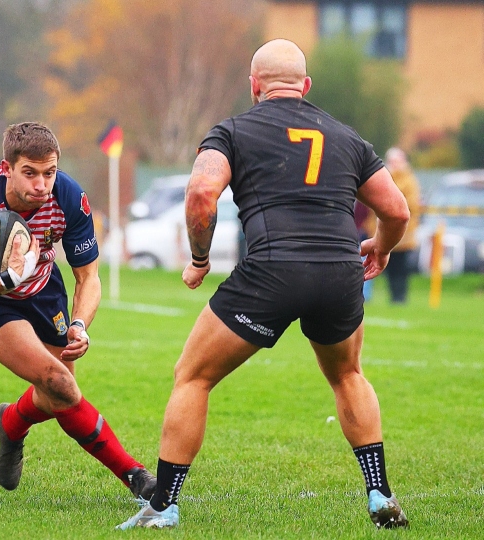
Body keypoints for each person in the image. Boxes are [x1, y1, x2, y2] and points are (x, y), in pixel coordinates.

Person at [117, 39, 411, 530]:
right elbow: (397, 209)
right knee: (347, 376)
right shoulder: (346, 136)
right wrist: (380, 246)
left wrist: (199, 259)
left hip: (272, 271)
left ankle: (162, 506)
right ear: (306, 86)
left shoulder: (232, 131)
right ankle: (379, 494)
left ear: (254, 86)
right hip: (340, 273)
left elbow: (200, 194)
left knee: (193, 376)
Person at [0, 122, 158, 500]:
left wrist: (81, 324)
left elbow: (89, 277)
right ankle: (137, 478)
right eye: (29, 173)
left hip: (43, 290)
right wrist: (5, 278)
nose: (41, 185)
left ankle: (11, 422)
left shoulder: (67, 196)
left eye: (49, 173)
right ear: (7, 168)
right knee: (60, 384)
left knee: (56, 396)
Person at [382, 147, 421, 304]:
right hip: (385, 229)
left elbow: (413, 205)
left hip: (404, 231)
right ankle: (393, 296)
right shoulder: (383, 178)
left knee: (401, 266)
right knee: (388, 266)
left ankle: (401, 296)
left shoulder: (409, 180)